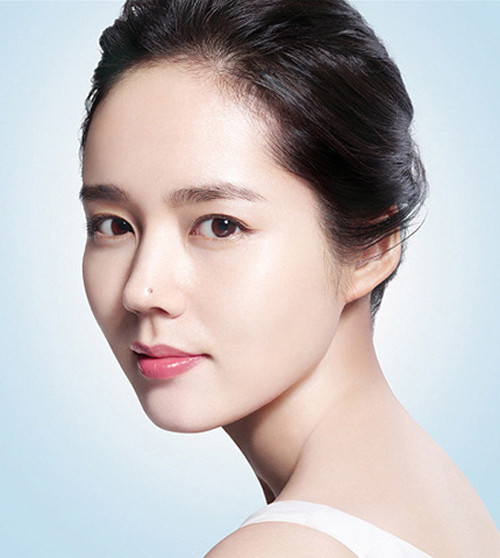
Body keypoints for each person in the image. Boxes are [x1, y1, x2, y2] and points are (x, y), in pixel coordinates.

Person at [79, 0, 500, 556]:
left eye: (220, 225)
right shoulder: (441, 503)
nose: (140, 290)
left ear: (370, 248)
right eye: (114, 225)